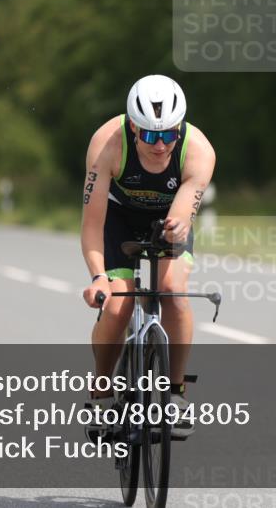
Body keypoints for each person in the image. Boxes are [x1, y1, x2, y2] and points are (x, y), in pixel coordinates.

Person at [81, 75, 216, 438]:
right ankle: (101, 392)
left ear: (179, 128)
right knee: (116, 307)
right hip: (118, 220)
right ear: (133, 127)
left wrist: (176, 230)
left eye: (169, 134)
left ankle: (176, 393)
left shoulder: (199, 151)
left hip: (167, 219)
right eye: (150, 135)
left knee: (172, 291)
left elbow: (182, 216)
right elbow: (92, 224)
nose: (160, 145)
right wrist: (98, 277)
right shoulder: (107, 144)